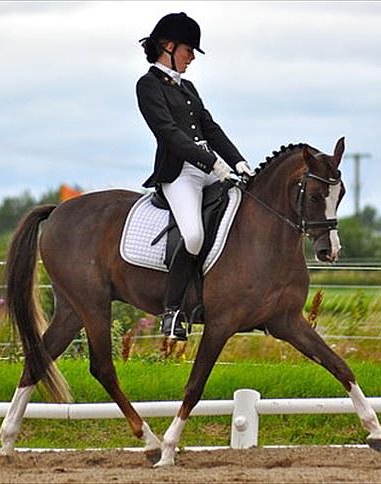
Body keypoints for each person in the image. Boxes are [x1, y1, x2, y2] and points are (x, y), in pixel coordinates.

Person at [136, 12, 254, 340]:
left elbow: (210, 127)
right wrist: (212, 164)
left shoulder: (187, 87)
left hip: (209, 166)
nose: (191, 58)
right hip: (180, 174)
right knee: (193, 237)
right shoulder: (147, 86)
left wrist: (238, 161)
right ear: (168, 46)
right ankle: (172, 312)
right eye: (189, 50)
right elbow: (169, 133)